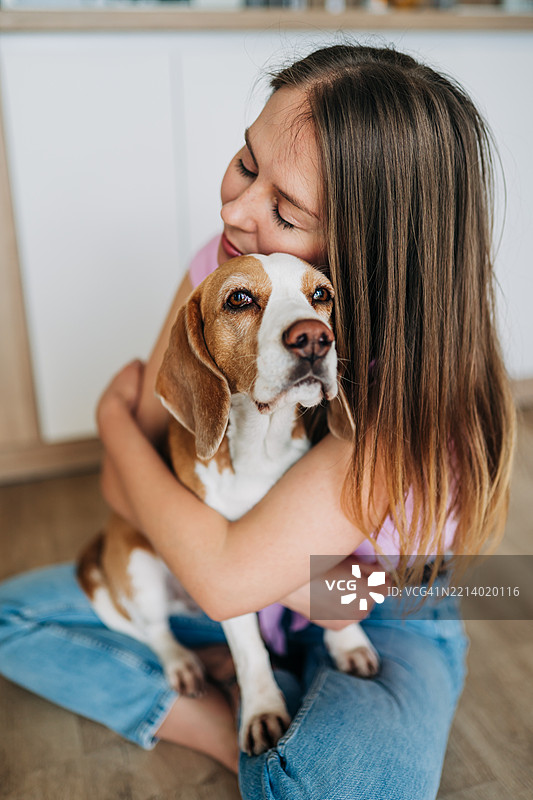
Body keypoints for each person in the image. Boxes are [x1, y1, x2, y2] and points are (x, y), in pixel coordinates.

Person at [0, 44, 516, 799]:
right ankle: (227, 717)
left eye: (286, 211)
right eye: (246, 162)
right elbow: (127, 487)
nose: (235, 213)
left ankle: (262, 724)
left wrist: (111, 419)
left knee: (326, 782)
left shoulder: (403, 394)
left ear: (361, 257)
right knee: (7, 614)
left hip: (374, 603)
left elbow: (311, 589)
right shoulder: (224, 262)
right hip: (228, 575)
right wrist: (132, 452)